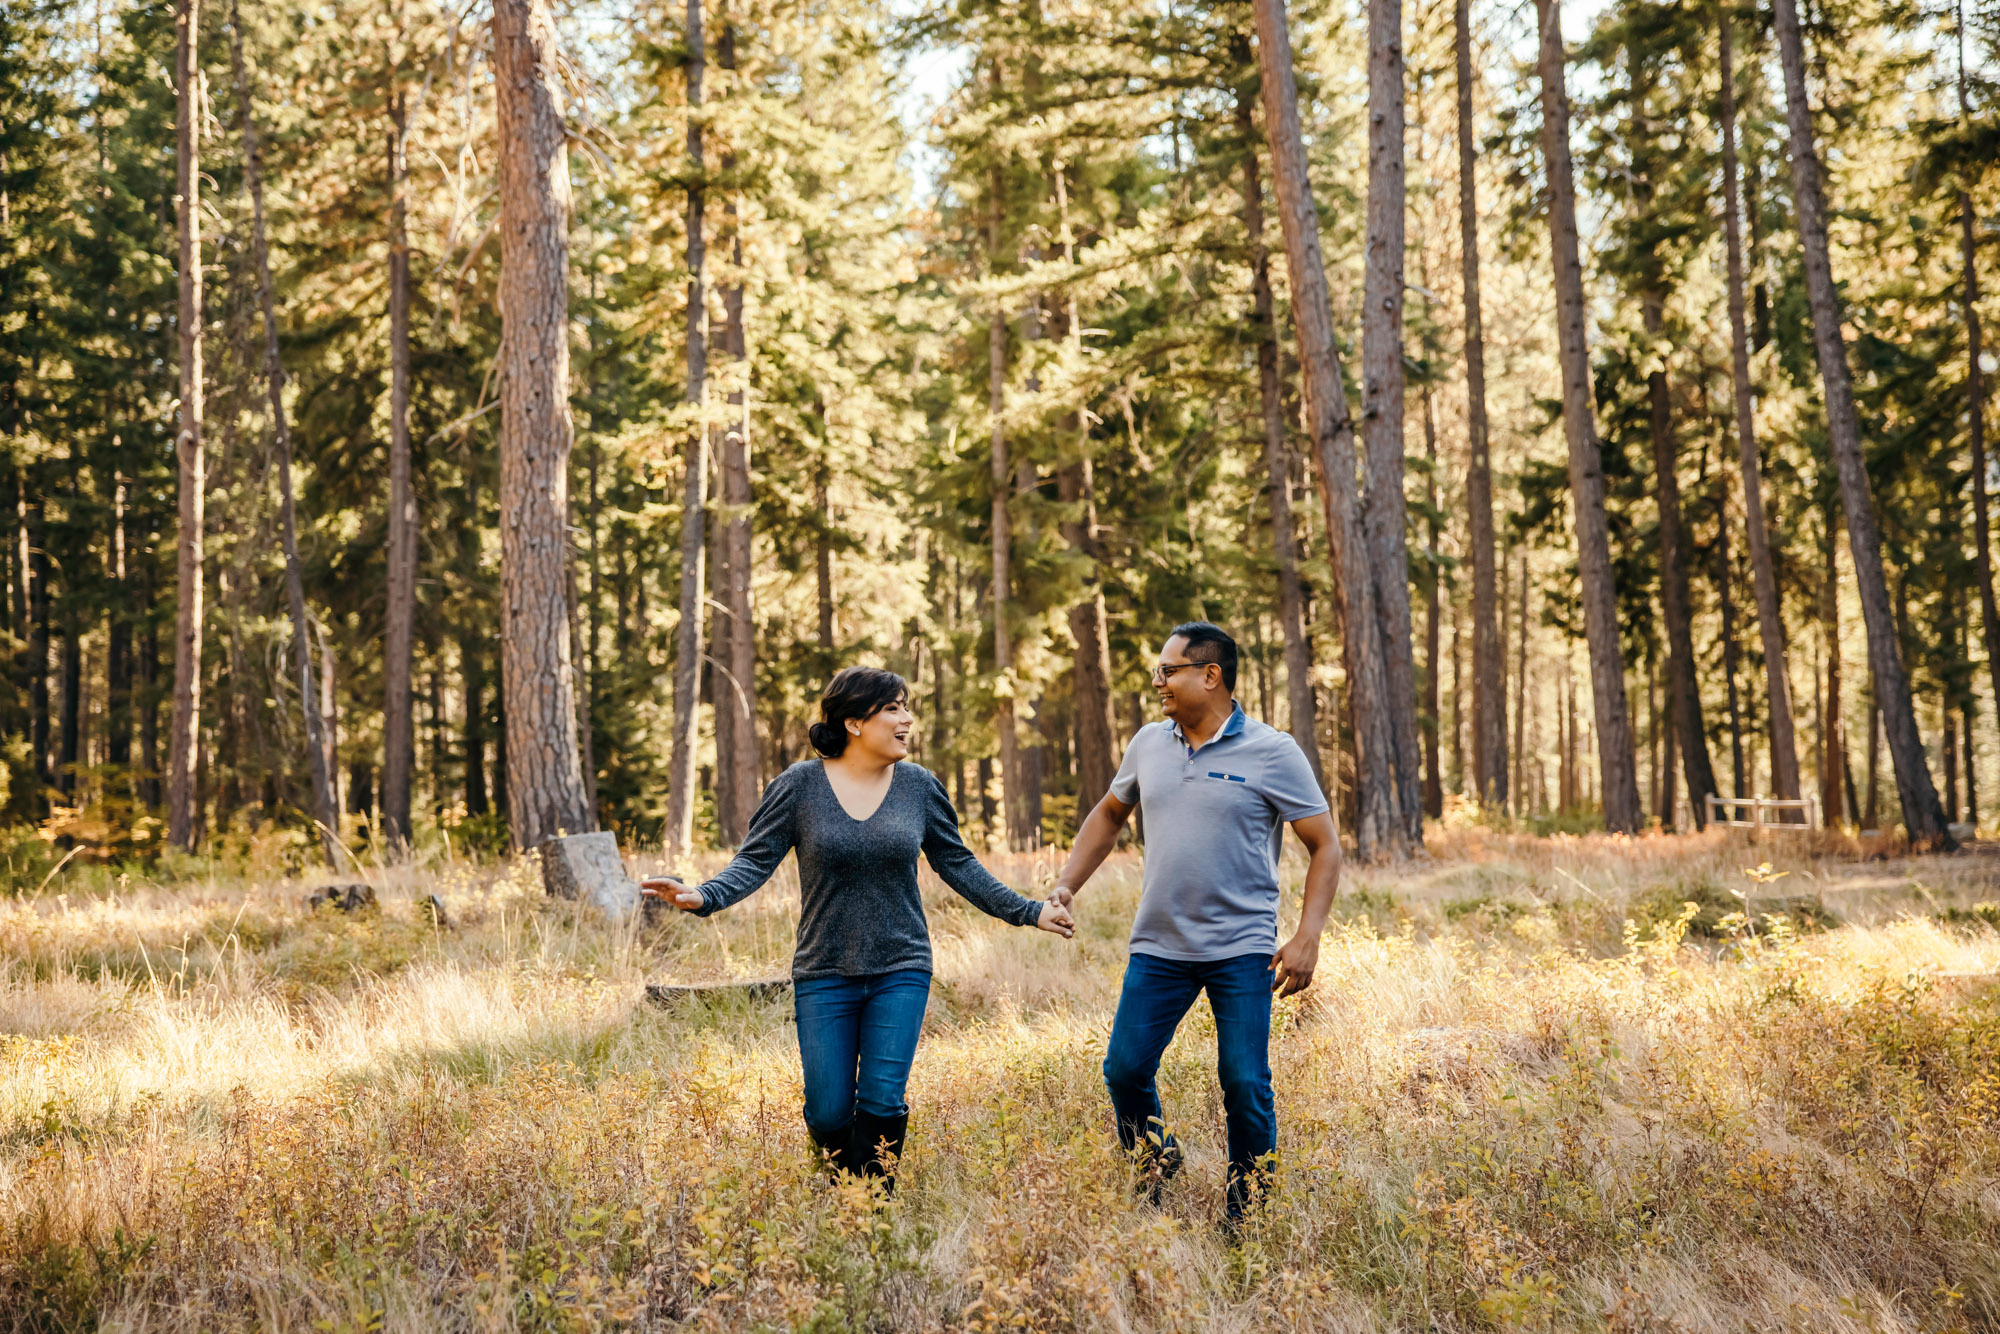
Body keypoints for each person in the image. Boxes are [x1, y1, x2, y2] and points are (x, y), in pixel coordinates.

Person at [643, 665, 1074, 1194]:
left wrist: (1030, 911)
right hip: (824, 969)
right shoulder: (800, 786)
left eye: (906, 707)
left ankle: (872, 1210)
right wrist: (704, 895)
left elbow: (959, 866)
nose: (907, 719)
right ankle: (847, 1193)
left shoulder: (918, 788)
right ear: (852, 722)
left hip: (902, 966)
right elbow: (754, 862)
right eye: (892, 708)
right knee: (826, 1112)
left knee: (881, 1100)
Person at [1047, 621, 1341, 1224]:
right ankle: (1158, 1160)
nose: (1158, 682)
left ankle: (1247, 1211)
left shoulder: (1273, 751)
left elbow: (1325, 845)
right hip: (1160, 944)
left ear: (1211, 675)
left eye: (1168, 670)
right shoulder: (1149, 744)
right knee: (1125, 1069)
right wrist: (1067, 883)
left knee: (1242, 1081)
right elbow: (1109, 813)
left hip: (1242, 947)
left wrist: (1307, 935)